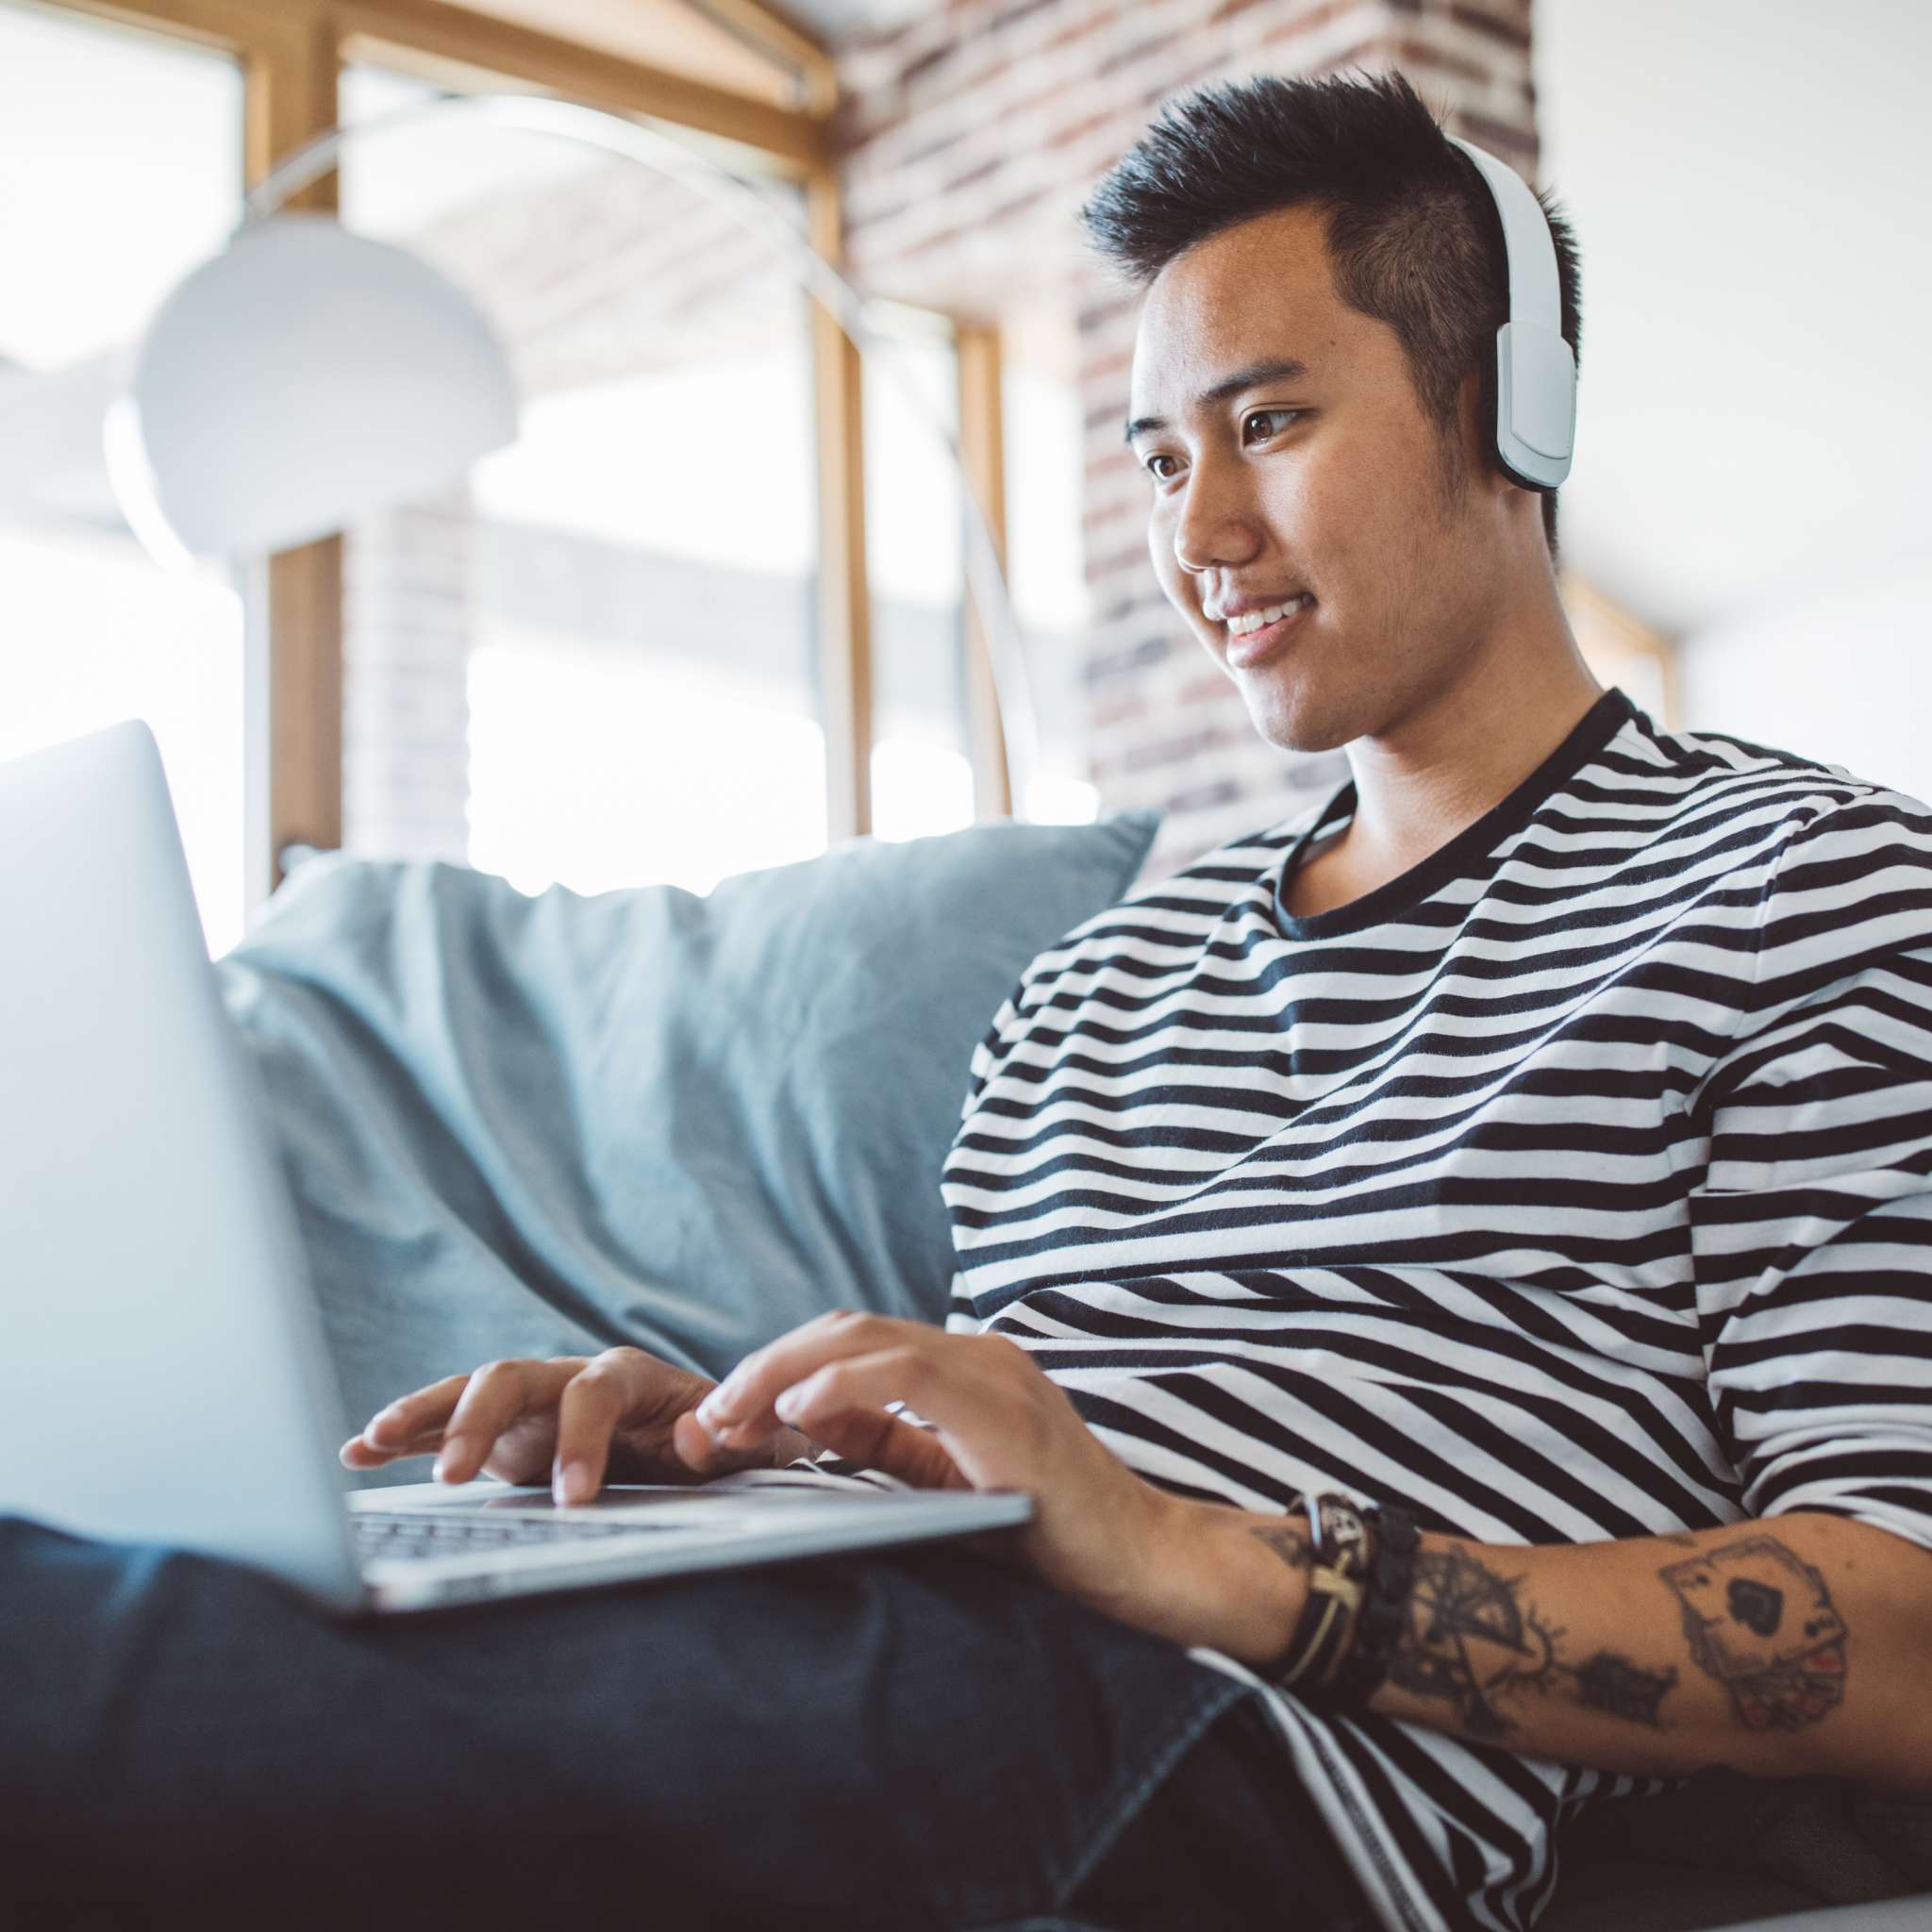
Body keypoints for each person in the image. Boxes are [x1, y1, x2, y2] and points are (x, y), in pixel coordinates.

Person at [9, 64, 1932, 1932]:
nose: (1197, 539)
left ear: (1508, 411)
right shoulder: (1087, 996)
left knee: (90, 1681)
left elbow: (1903, 1627)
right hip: (930, 1655)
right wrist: (729, 1444)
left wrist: (1191, 1556)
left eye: (1265, 425)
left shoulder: (1808, 895)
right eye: (1162, 458)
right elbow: (1029, 1458)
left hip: (1236, 1755)